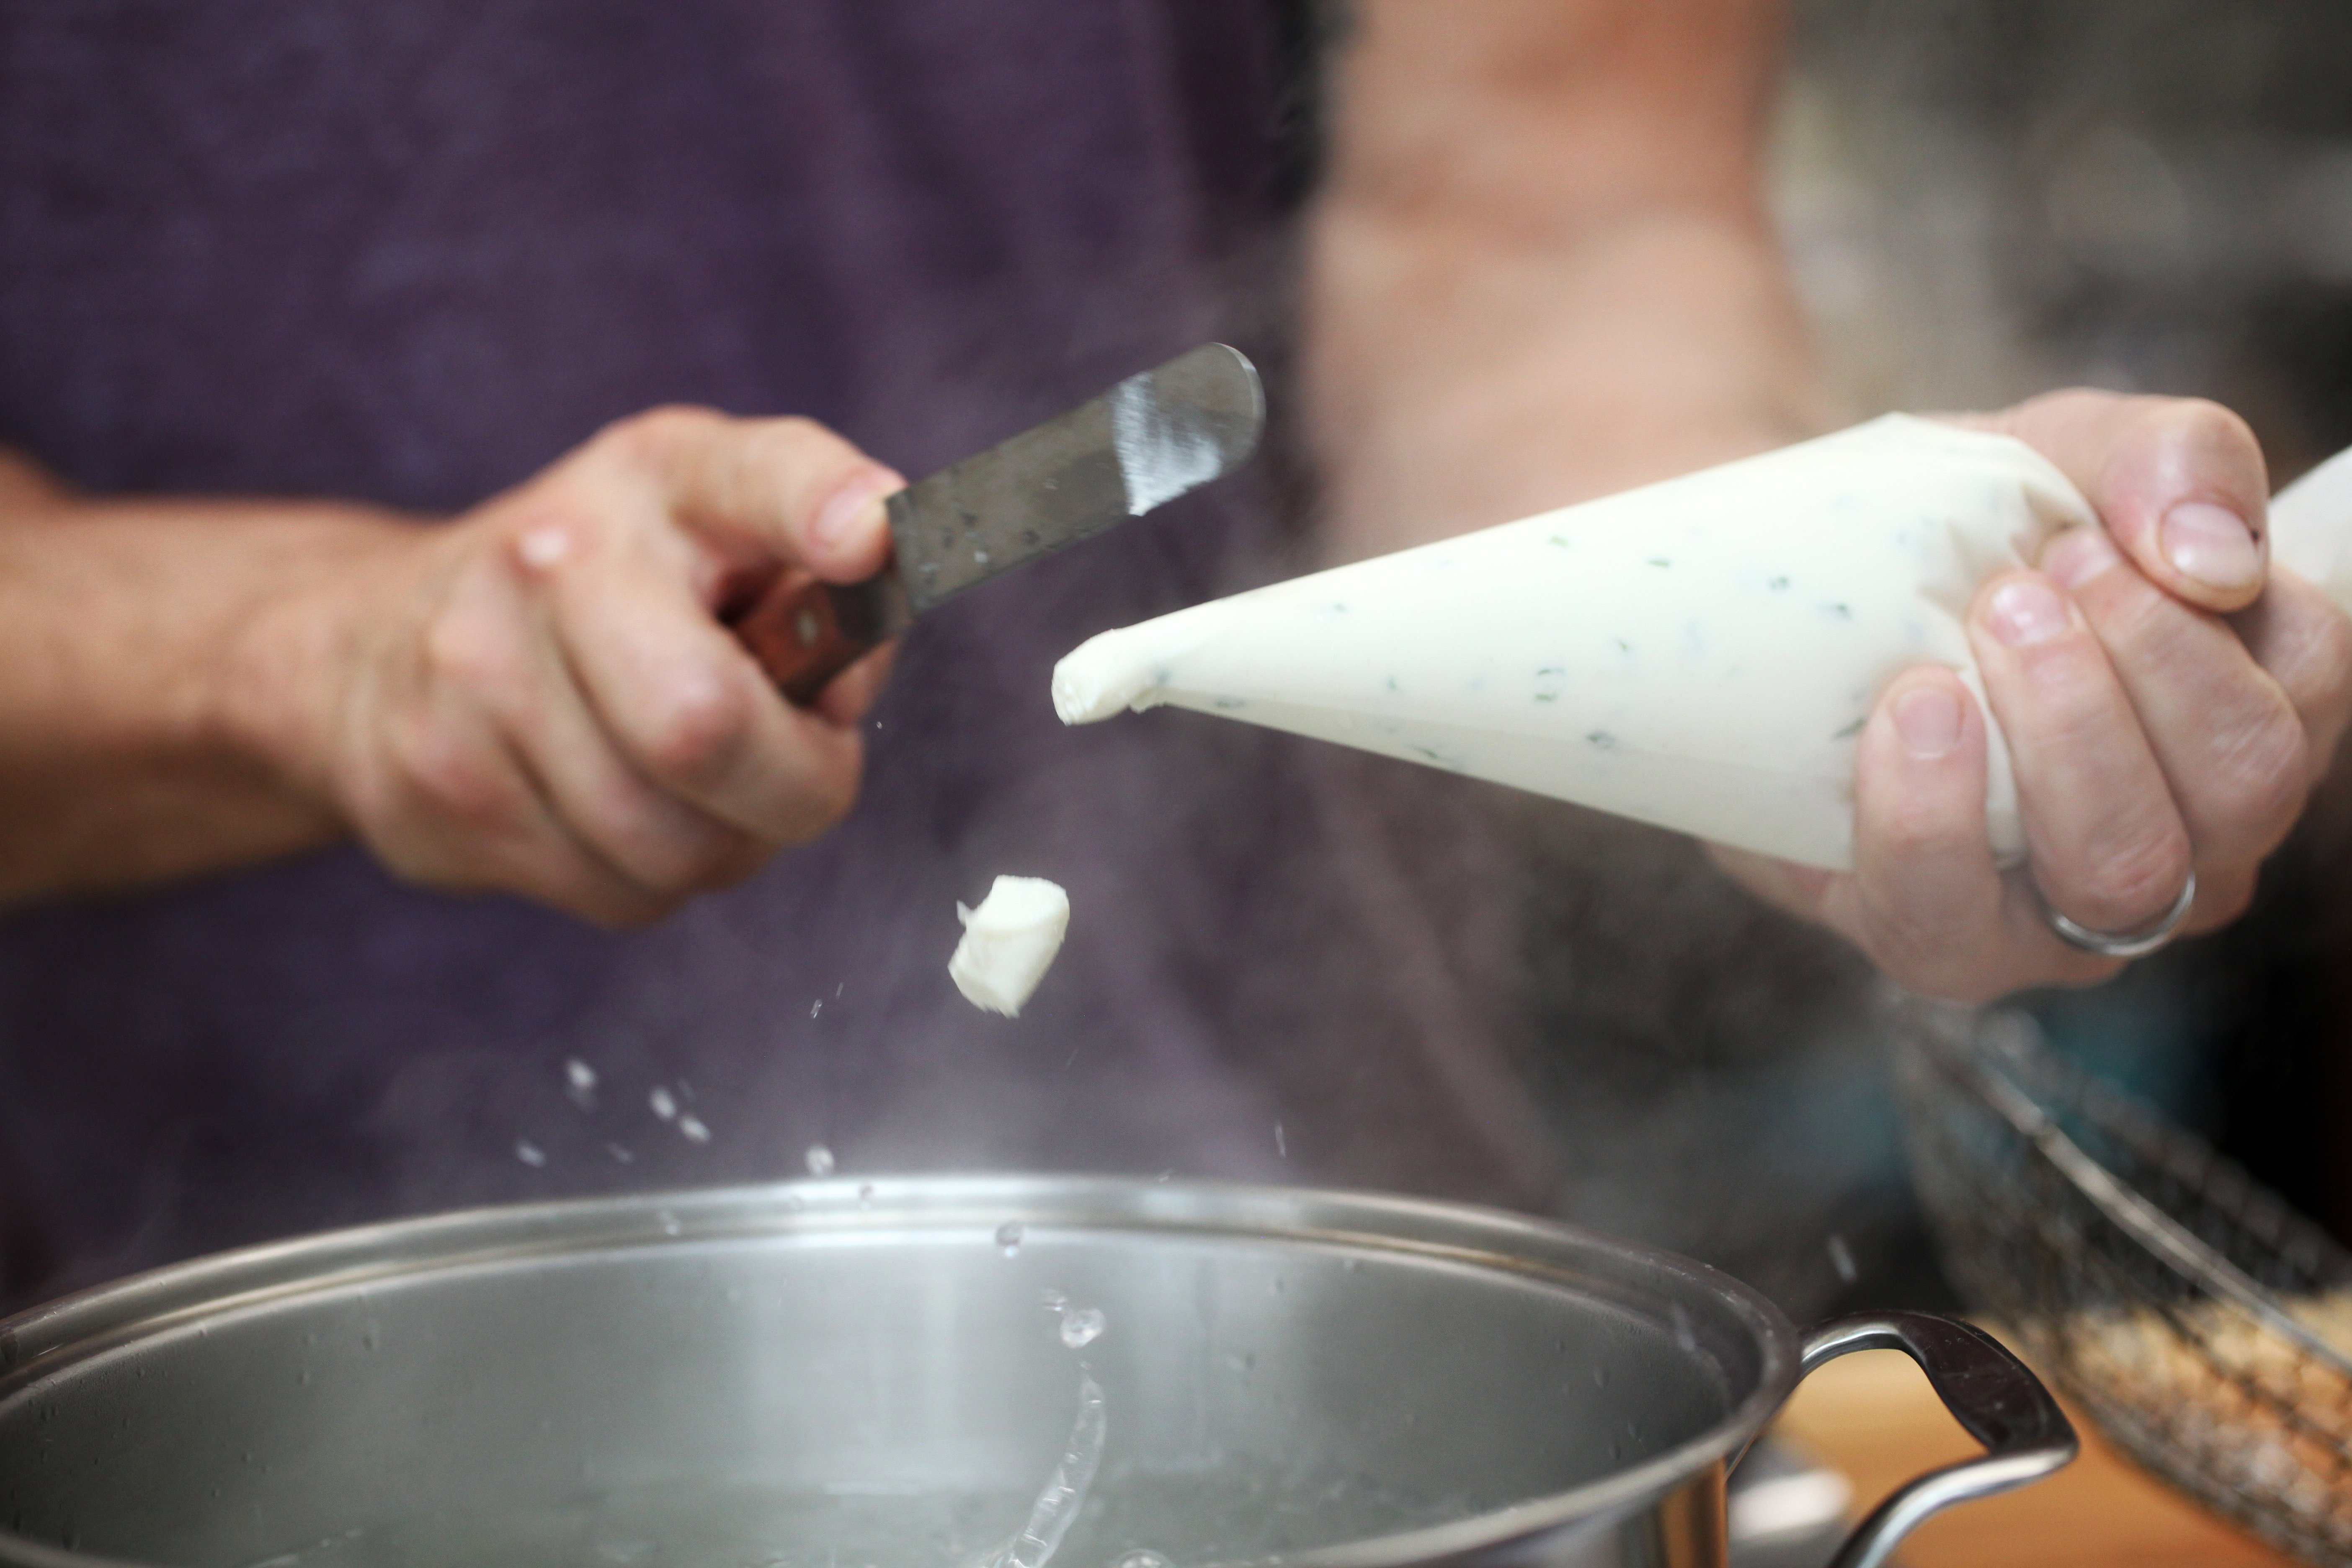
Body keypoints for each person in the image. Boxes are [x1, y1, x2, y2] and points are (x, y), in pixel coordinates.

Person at [0, 0, 2342, 1304]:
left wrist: (1825, 668)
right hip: (214, 1313)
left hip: (1341, 1249)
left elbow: (1535, 220)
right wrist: (309, 655)